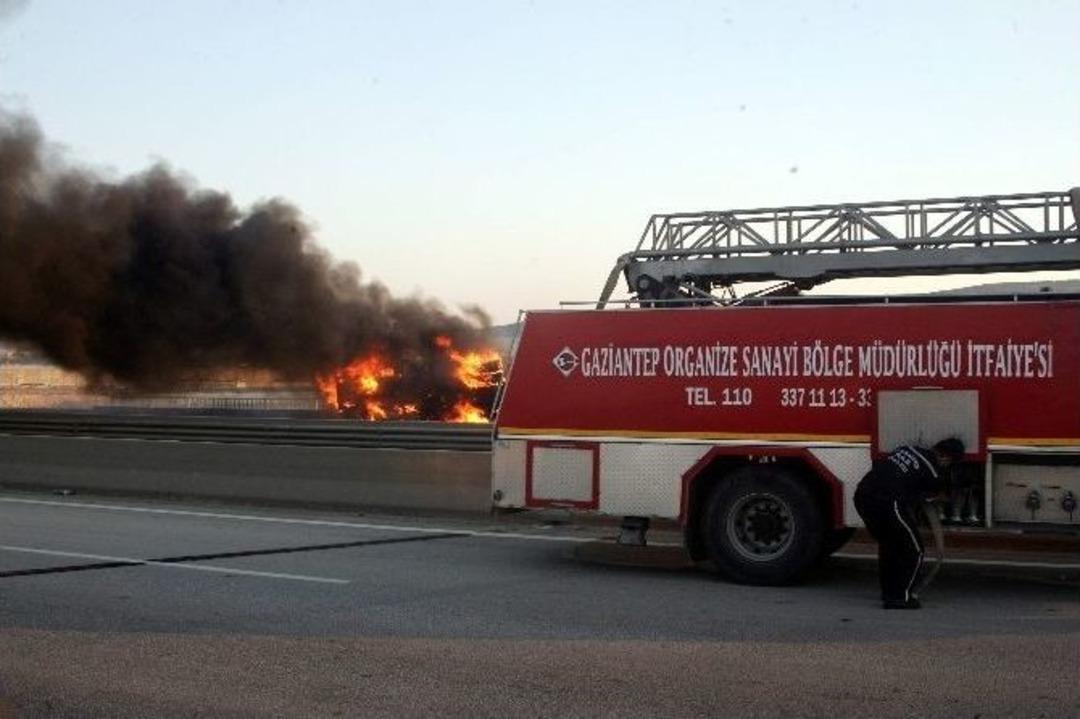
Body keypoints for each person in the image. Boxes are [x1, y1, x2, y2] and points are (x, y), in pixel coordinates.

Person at [853, 438, 965, 609]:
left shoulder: (905, 449)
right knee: (914, 550)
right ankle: (901, 598)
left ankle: (889, 593)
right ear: (946, 458)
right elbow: (933, 496)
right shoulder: (933, 472)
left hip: (862, 497)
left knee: (890, 545)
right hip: (888, 503)